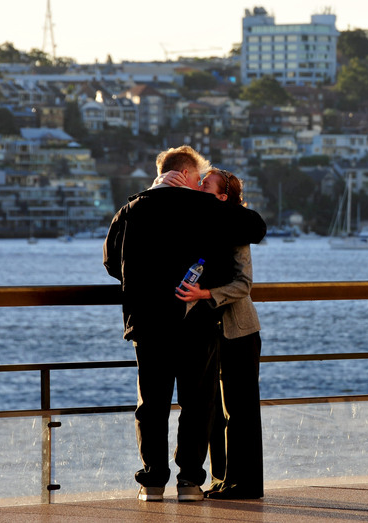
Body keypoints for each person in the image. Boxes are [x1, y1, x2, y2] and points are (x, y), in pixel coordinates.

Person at [103, 146, 266, 503]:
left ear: (161, 174)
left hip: (147, 324)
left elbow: (112, 262)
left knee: (151, 405)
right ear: (189, 176)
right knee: (197, 404)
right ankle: (190, 482)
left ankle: (152, 482)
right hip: (195, 323)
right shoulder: (205, 207)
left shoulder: (130, 210)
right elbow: (255, 226)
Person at [176, 169, 264, 499]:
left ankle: (245, 484)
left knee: (240, 412)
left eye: (205, 184)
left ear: (222, 197)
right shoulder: (198, 227)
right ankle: (221, 478)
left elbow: (244, 284)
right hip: (205, 332)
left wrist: (206, 294)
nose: (199, 186)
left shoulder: (236, 228)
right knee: (212, 409)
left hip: (238, 330)